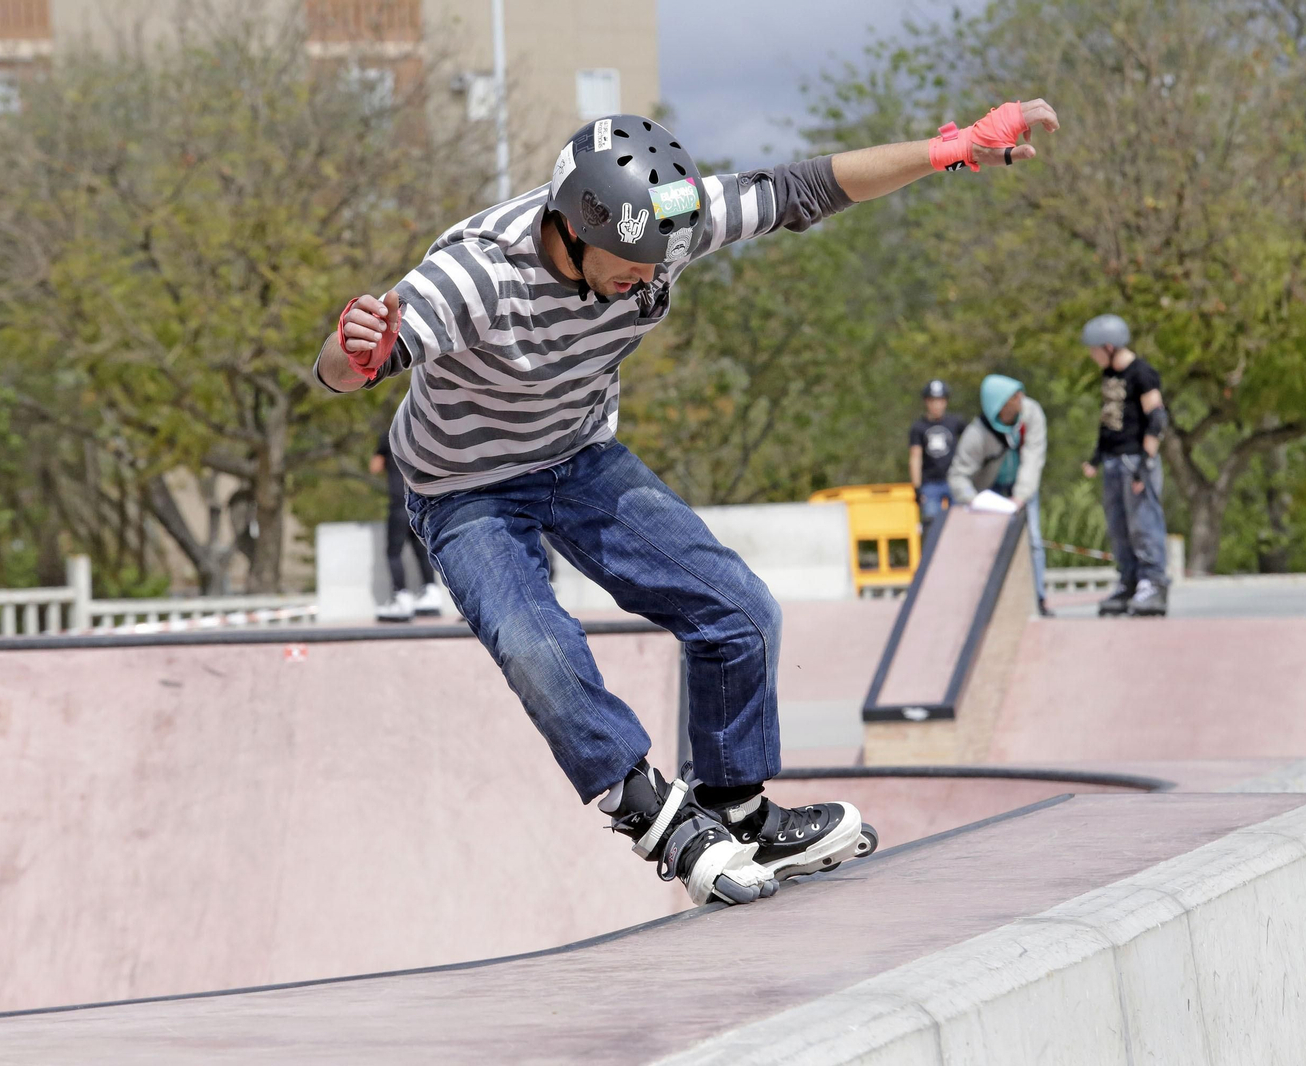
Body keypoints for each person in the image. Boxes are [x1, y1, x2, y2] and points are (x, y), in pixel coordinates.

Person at [317, 100, 1059, 905]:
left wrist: (949, 153)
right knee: (536, 643)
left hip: (579, 458)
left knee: (742, 613)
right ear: (569, 230)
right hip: (464, 489)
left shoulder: (667, 224)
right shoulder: (475, 274)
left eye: (656, 267)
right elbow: (340, 370)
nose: (646, 283)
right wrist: (355, 354)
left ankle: (733, 808)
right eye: (629, 269)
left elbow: (806, 187)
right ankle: (642, 807)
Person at [1080, 314, 1169, 616]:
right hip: (1113, 459)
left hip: (1136, 459)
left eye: (1094, 350)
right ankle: (1129, 580)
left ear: (1109, 346)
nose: (1092, 356)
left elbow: (1157, 418)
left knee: (1143, 522)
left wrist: (1146, 464)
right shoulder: (1110, 375)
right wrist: (1096, 457)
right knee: (1118, 526)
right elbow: (1109, 420)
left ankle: (1153, 583)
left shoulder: (1143, 373)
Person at [947, 374, 1051, 615]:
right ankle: (984, 603)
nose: (1021, 399)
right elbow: (957, 475)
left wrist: (1021, 496)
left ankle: (1038, 599)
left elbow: (1034, 456)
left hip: (1022, 490)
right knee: (987, 546)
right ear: (1001, 404)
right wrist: (973, 499)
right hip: (991, 494)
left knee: (1033, 540)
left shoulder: (1031, 413)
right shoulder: (976, 434)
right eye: (1015, 397)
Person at [371, 430, 446, 622]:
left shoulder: (388, 434)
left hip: (398, 504)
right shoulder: (422, 432)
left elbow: (375, 467)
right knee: (421, 550)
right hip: (420, 503)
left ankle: (401, 597)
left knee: (393, 553)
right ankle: (431, 593)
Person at [909, 379, 966, 529]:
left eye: (940, 400)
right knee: (932, 525)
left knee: (959, 521)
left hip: (954, 480)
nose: (937, 405)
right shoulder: (919, 427)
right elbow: (915, 457)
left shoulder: (955, 422)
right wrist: (916, 486)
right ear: (926, 402)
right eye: (933, 401)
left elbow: (971, 446)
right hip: (930, 483)